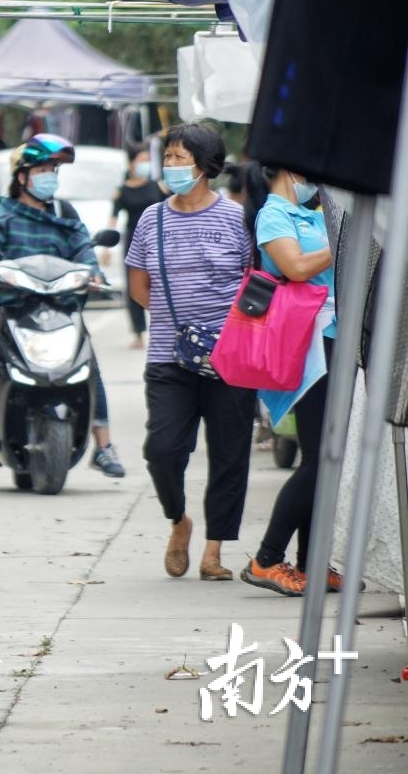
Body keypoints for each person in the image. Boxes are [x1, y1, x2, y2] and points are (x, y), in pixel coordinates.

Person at [0, 134, 126, 478]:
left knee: (88, 362)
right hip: (12, 306)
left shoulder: (64, 212)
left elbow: (82, 247)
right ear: (22, 176)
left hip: (60, 306)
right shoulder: (3, 212)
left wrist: (94, 272)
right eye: (43, 170)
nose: (50, 177)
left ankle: (103, 446)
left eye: (54, 170)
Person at [125, 122, 257, 581]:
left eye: (180, 158)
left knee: (229, 452)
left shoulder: (237, 218)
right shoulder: (152, 218)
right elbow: (139, 285)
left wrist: (221, 331)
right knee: (162, 448)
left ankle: (215, 550)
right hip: (168, 355)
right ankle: (179, 521)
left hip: (231, 357)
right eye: (169, 157)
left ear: (206, 167)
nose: (171, 166)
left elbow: (252, 285)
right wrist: (183, 327)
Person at [239, 162, 347, 596]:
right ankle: (266, 559)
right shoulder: (274, 214)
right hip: (308, 345)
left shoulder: (318, 214)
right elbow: (296, 267)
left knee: (327, 459)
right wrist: (343, 243)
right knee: (319, 459)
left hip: (335, 340)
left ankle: (311, 563)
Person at [108, 144, 166, 349]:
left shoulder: (157, 187)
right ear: (131, 163)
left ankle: (163, 327)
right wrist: (107, 248)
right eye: (141, 160)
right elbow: (113, 218)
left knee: (160, 285)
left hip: (159, 240)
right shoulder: (122, 190)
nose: (145, 164)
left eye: (147, 160)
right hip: (133, 241)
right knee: (135, 286)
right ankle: (138, 333)